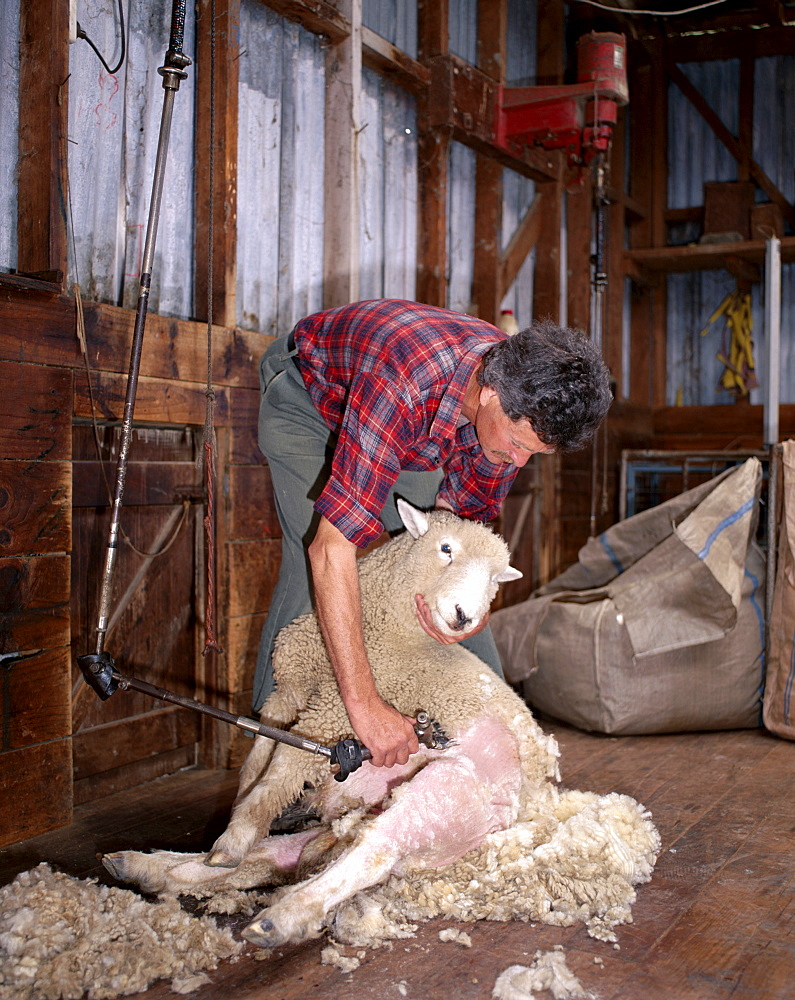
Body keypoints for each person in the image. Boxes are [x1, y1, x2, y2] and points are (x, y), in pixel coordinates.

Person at [253, 298, 612, 769]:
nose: (520, 463)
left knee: (437, 569)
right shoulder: (403, 379)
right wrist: (366, 708)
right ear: (490, 394)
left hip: (416, 426)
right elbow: (331, 550)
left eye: (535, 454)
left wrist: (470, 606)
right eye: (519, 445)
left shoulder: (513, 400)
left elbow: (461, 536)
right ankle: (279, 758)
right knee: (312, 567)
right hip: (310, 402)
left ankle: (488, 758)